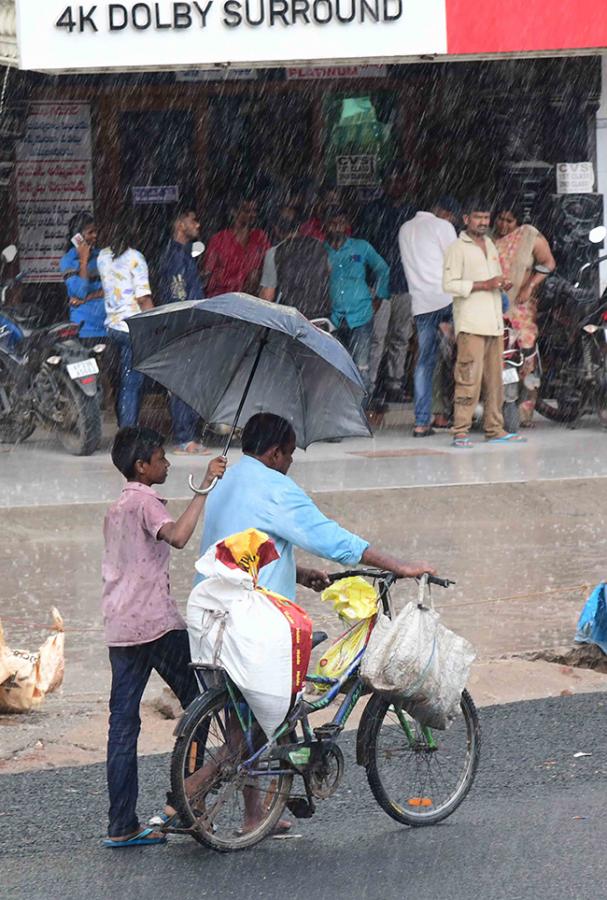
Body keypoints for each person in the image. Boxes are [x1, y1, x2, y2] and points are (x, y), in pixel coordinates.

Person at [102, 426, 226, 848]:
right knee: (201, 703)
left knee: (122, 726)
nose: (167, 463)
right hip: (154, 623)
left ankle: (121, 824)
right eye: (160, 458)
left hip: (120, 627)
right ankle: (185, 803)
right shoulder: (144, 503)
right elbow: (177, 537)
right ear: (142, 466)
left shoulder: (118, 506)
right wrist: (204, 489)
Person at [198, 413, 435, 602]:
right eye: (289, 454)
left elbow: (238, 550)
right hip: (251, 620)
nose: (290, 462)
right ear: (275, 454)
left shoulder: (222, 480)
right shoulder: (277, 490)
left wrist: (296, 573)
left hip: (209, 607)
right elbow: (333, 541)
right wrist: (400, 566)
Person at [443, 200, 525, 447]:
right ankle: (460, 431)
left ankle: (494, 429)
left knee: (495, 382)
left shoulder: (489, 243)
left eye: (486, 218)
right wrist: (484, 285)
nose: (483, 222)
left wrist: (500, 284)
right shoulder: (457, 248)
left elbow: (491, 280)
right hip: (471, 324)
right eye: (478, 217)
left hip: (494, 324)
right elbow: (449, 285)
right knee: (468, 379)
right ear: (466, 219)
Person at [399, 197, 460, 437]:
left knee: (424, 362)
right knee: (461, 355)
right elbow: (457, 261)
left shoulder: (405, 228)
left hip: (421, 303)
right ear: (445, 213)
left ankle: (421, 422)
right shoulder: (443, 226)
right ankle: (458, 413)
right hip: (446, 299)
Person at [494, 202, 556, 426]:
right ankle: (497, 412)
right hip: (495, 306)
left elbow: (548, 263)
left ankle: (525, 411)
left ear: (518, 222)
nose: (503, 225)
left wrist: (529, 286)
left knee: (526, 355)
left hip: (521, 306)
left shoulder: (529, 236)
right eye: (500, 219)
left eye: (509, 221)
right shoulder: (489, 240)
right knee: (498, 358)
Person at [359, 169, 416, 399]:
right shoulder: (372, 211)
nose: (397, 185)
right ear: (384, 184)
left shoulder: (412, 213)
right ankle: (369, 385)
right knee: (376, 336)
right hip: (378, 283)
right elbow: (364, 247)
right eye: (392, 180)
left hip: (404, 281)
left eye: (400, 180)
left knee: (401, 336)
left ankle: (394, 383)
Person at [158, 207, 209, 455]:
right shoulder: (176, 257)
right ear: (180, 225)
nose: (198, 225)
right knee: (182, 382)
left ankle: (188, 434)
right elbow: (179, 297)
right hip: (183, 325)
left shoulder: (184, 254)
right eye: (193, 220)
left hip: (187, 324)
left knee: (187, 381)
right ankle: (184, 437)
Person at [324, 208, 390, 395]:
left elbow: (383, 269)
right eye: (333, 223)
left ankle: (360, 411)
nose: (337, 226)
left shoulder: (361, 247)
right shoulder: (321, 250)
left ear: (347, 225)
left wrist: (379, 298)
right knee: (335, 367)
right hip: (333, 316)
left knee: (361, 368)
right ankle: (341, 409)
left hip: (361, 313)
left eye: (341, 222)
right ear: (326, 226)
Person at [98, 221, 154, 428]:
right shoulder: (135, 258)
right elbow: (144, 299)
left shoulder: (102, 257)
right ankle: (128, 432)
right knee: (132, 384)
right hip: (132, 329)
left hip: (112, 327)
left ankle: (126, 425)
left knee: (122, 381)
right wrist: (156, 327)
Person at [259, 203, 331, 319]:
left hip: (292, 319)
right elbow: (330, 273)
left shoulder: (274, 253)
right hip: (322, 315)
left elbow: (267, 296)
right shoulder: (319, 245)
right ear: (299, 226)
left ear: (276, 229)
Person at [204, 197, 270, 298]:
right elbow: (208, 273)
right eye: (247, 211)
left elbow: (270, 272)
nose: (252, 215)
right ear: (234, 212)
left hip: (250, 301)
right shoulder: (218, 239)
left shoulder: (260, 237)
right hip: (222, 300)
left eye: (254, 211)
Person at [59, 211, 106, 342]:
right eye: (90, 232)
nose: (95, 236)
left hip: (107, 326)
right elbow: (80, 292)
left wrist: (89, 297)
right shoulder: (68, 261)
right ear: (77, 237)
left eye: (95, 231)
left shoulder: (101, 256)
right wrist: (83, 261)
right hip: (84, 331)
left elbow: (112, 289)